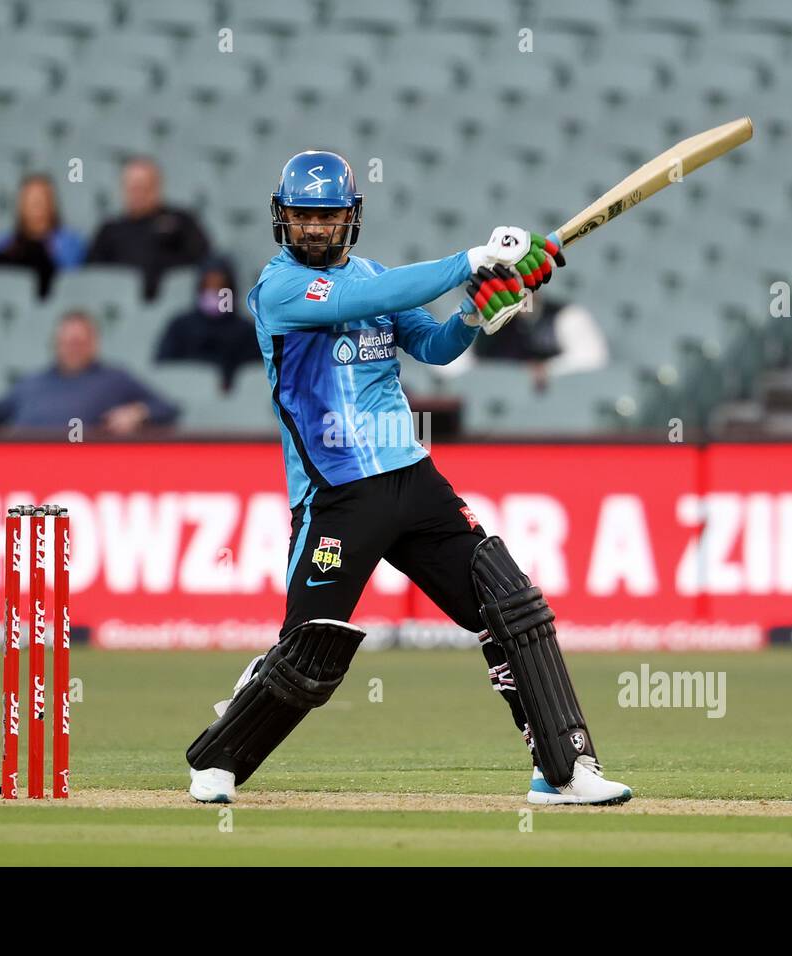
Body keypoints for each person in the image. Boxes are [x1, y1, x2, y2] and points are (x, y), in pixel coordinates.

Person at [185, 150, 631, 807]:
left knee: (511, 607)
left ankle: (565, 771)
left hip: (412, 481)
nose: (313, 228)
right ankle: (220, 755)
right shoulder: (278, 289)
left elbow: (435, 346)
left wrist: (479, 312)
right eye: (303, 216)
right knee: (310, 653)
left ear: (351, 217)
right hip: (336, 495)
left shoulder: (371, 276)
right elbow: (371, 297)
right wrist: (472, 260)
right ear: (282, 219)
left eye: (326, 216)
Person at [0, 311, 178, 433]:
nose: (73, 348)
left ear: (94, 344)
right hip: (25, 469)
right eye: (68, 342)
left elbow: (168, 409)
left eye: (80, 342)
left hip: (85, 471)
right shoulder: (31, 383)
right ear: (56, 344)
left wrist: (137, 413)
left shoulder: (114, 380)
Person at [86, 157, 210, 300]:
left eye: (144, 187)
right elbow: (93, 275)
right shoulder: (109, 230)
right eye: (133, 188)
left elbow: (204, 262)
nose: (138, 194)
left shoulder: (181, 221)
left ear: (158, 187)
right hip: (118, 305)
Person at [154, 254, 260, 391]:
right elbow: (164, 369)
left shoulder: (247, 331)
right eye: (208, 286)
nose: (214, 291)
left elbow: (253, 377)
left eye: (220, 286)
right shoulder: (180, 326)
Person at [474, 287, 608, 389]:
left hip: (560, 396)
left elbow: (594, 358)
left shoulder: (567, 315)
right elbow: (458, 363)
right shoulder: (482, 317)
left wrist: (547, 369)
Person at [0, 174, 87, 298]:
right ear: (20, 203)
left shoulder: (70, 243)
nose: (36, 203)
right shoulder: (4, 244)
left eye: (41, 197)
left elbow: (72, 285)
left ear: (52, 203)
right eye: (29, 197)